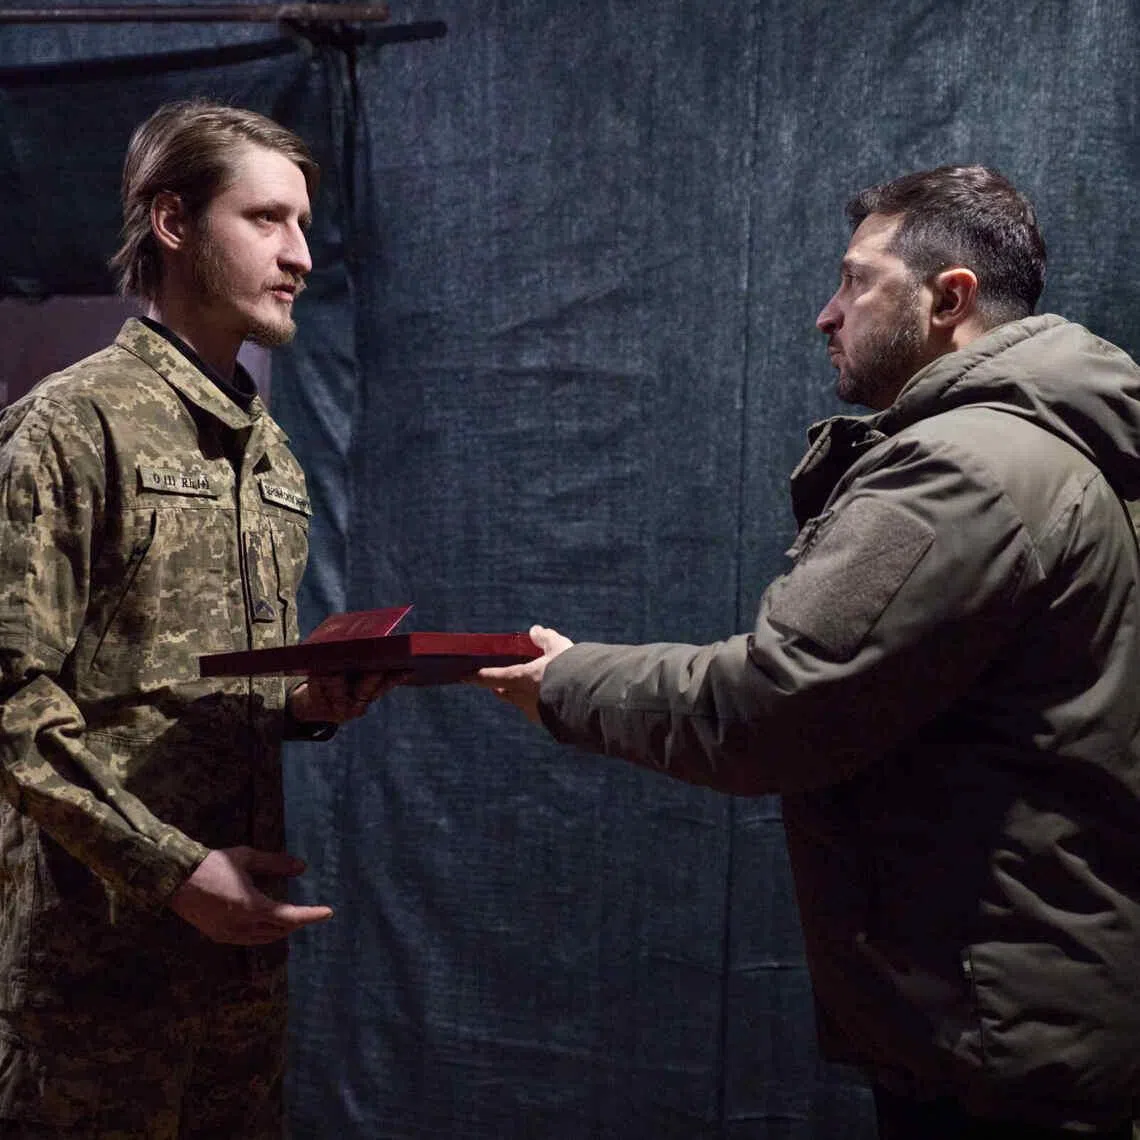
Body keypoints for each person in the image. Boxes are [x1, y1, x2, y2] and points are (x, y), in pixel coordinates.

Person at [474, 165, 1140, 1139]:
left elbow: (775, 706)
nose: (828, 315)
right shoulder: (1067, 456)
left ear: (949, 297)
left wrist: (568, 683)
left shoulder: (969, 471)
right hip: (1043, 1017)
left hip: (997, 1052)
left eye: (855, 281)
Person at [0, 100, 383, 1138]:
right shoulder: (70, 428)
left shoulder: (273, 458)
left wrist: (305, 701)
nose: (299, 255)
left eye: (304, 224)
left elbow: (185, 680)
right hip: (95, 982)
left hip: (237, 974)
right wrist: (172, 872)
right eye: (267, 219)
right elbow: (10, 703)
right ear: (172, 222)